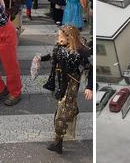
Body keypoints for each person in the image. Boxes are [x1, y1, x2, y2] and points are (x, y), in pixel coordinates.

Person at [40, 26, 93, 154]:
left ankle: (58, 142)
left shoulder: (82, 52)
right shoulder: (59, 47)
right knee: (62, 105)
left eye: (60, 36)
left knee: (60, 115)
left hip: (71, 84)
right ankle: (73, 109)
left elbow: (90, 68)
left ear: (70, 38)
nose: (58, 38)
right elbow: (52, 56)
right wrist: (40, 58)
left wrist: (89, 87)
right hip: (60, 82)